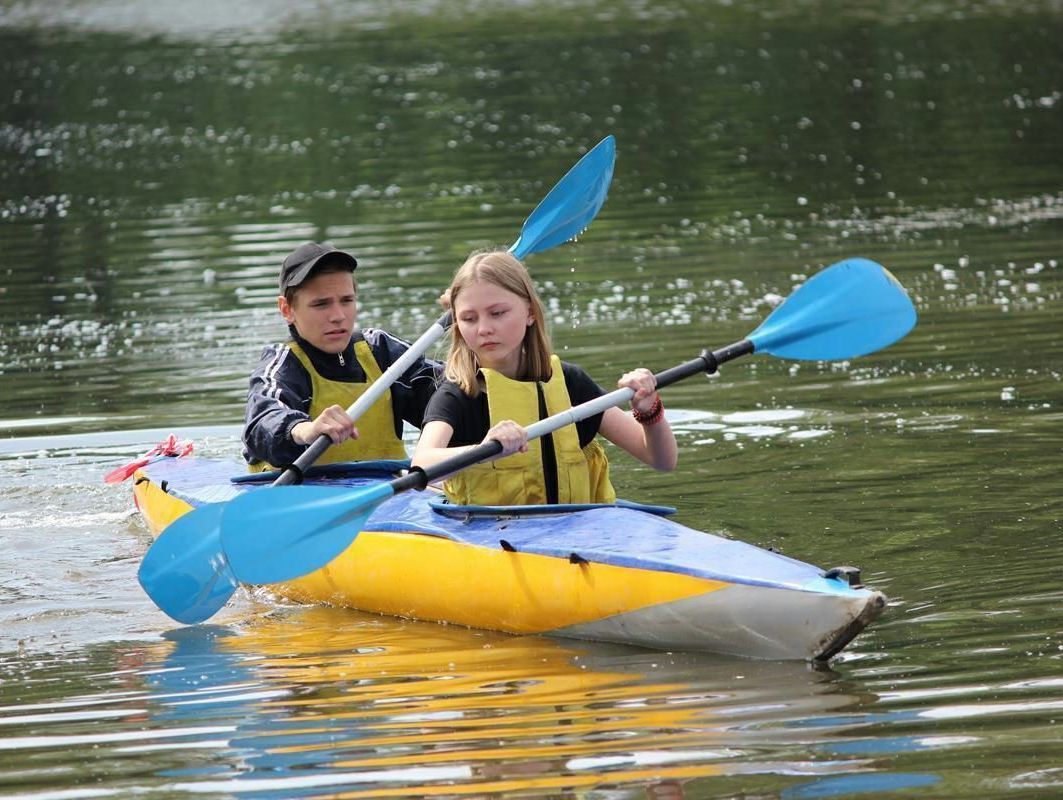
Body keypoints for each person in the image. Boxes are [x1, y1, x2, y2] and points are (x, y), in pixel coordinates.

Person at [411, 249, 676, 506]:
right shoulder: (459, 394)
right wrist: (485, 450)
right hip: (490, 536)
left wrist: (648, 409)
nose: (484, 329)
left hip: (581, 532)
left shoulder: (570, 383)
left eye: (497, 313)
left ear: (530, 313)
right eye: (469, 318)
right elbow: (421, 466)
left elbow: (662, 460)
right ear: (457, 324)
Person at [242, 241, 439, 470]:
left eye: (347, 301)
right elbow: (261, 421)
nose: (338, 316)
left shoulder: (382, 352)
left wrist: (472, 333)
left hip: (391, 498)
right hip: (301, 495)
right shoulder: (282, 365)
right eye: (321, 304)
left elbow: (451, 393)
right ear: (287, 310)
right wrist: (304, 430)